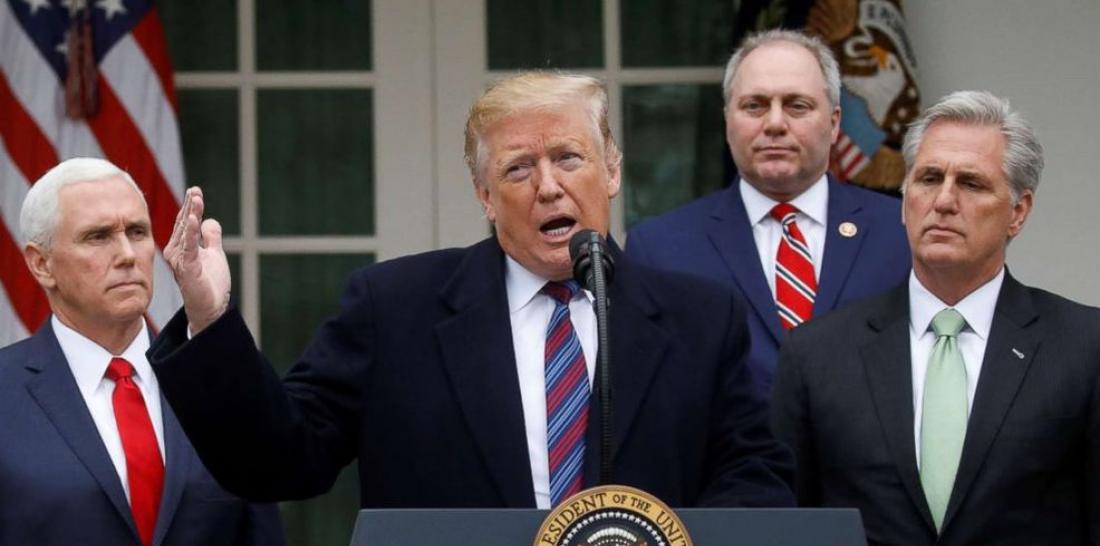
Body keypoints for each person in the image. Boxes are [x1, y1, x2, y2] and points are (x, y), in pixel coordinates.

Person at [148, 72, 794, 511]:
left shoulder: (700, 317)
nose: (548, 186)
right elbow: (281, 460)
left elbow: (754, 477)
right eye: (518, 168)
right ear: (485, 196)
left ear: (613, 170)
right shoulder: (393, 308)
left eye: (569, 158)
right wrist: (211, 317)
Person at [771, 91, 1099, 546]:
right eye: (928, 179)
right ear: (905, 201)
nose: (944, 200)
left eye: (971, 183)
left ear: (1018, 211)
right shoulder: (818, 352)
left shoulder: (1083, 346)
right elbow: (788, 535)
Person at [0, 158, 301, 546]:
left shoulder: (217, 383)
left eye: (138, 232)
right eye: (98, 236)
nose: (127, 254)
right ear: (41, 264)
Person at [626, 29, 910, 393]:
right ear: (727, 120)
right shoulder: (660, 250)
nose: (775, 123)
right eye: (754, 106)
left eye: (797, 105)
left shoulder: (901, 232)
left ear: (834, 122)